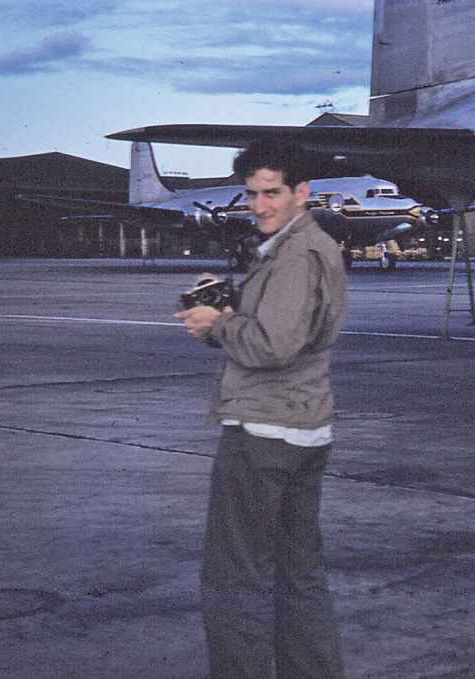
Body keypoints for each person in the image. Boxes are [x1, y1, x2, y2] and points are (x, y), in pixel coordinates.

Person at [173, 138, 348, 679]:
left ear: (302, 192)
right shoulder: (317, 248)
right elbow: (288, 334)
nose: (260, 205)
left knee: (234, 578)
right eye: (252, 194)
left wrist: (217, 324)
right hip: (306, 429)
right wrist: (228, 316)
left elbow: (274, 345)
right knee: (299, 575)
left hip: (264, 435)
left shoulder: (295, 255)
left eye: (272, 193)